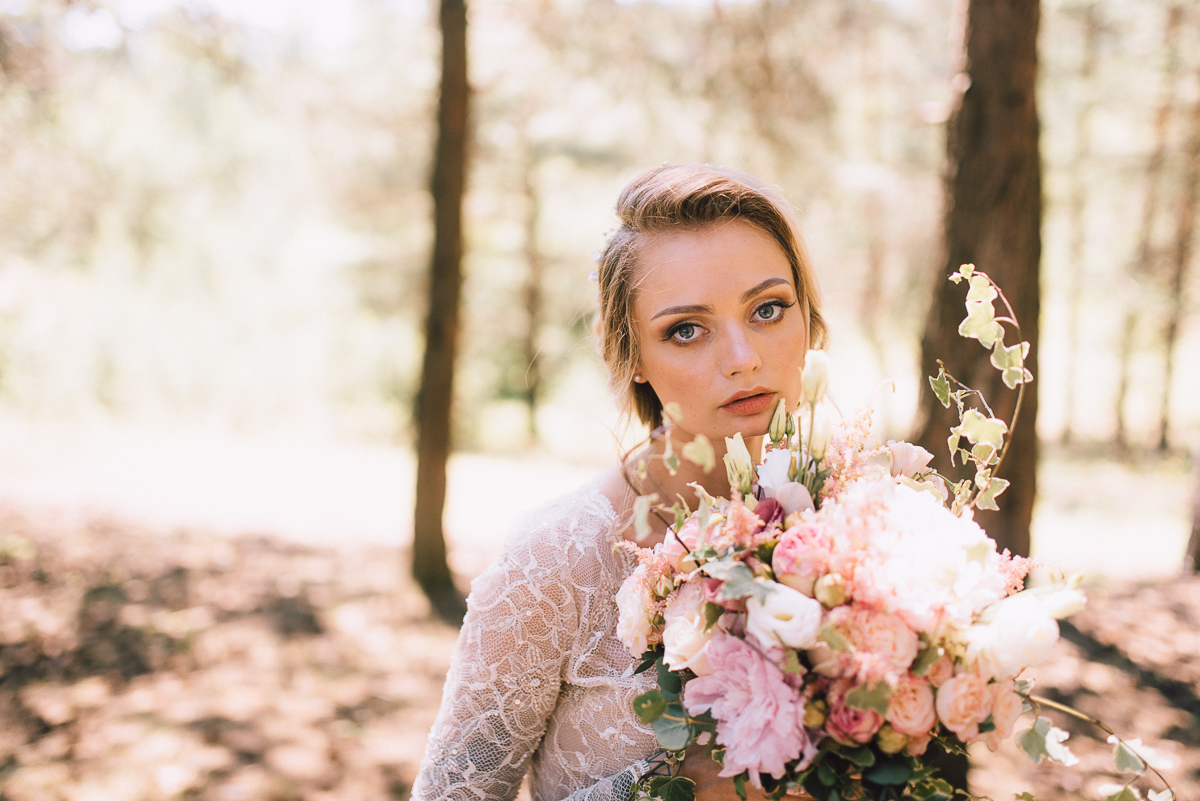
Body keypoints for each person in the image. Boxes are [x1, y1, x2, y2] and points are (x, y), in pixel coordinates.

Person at [410, 164, 827, 801]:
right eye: (686, 330)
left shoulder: (858, 528)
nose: (743, 357)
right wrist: (678, 790)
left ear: (808, 320)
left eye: (768, 309)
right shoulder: (556, 559)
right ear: (630, 356)